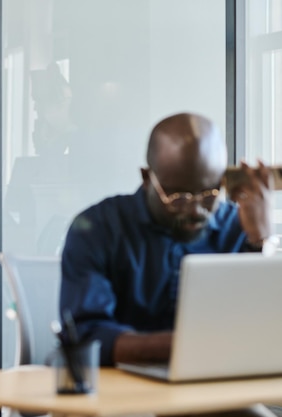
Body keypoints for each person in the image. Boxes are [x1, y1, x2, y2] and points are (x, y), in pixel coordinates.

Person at [60, 112, 278, 417]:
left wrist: (262, 240)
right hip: (116, 392)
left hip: (212, 392)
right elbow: (89, 335)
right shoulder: (98, 228)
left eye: (209, 193)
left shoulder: (240, 227)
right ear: (148, 178)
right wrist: (192, 346)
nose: (196, 210)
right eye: (178, 196)